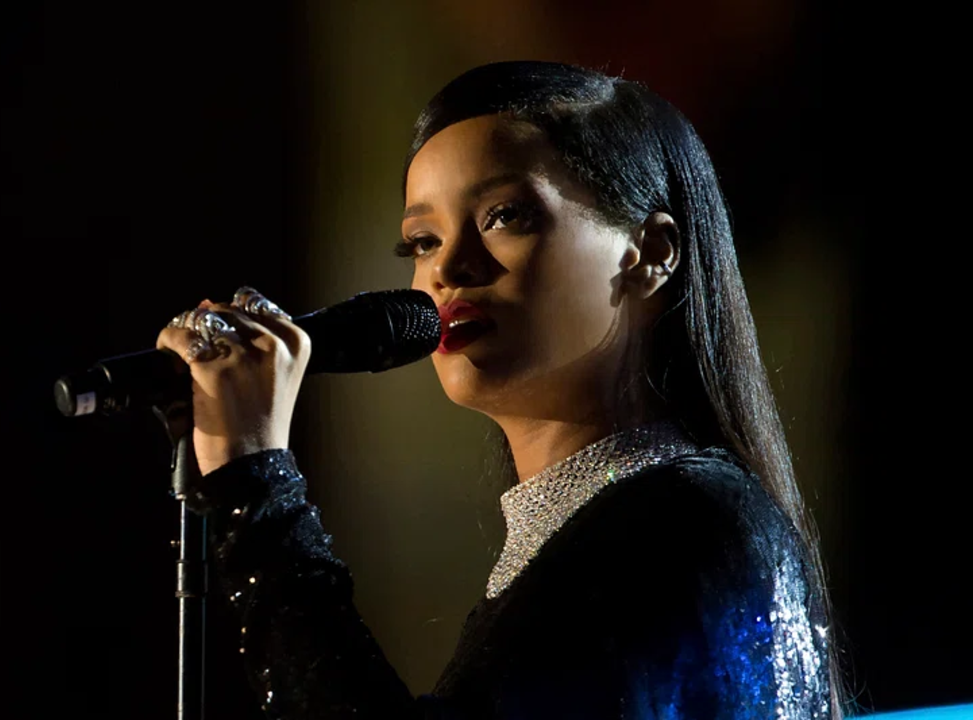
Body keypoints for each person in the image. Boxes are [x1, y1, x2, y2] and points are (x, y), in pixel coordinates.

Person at [156, 61, 842, 719]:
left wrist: (262, 492)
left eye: (505, 216)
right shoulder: (611, 526)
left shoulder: (687, 522)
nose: (448, 269)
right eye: (421, 241)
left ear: (652, 252)